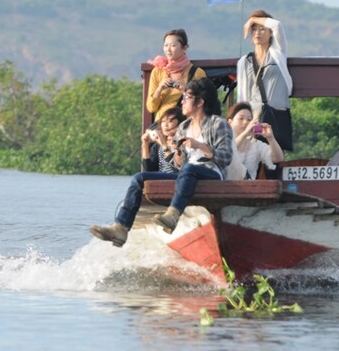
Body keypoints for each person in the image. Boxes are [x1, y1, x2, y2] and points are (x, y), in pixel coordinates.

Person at [90, 78, 233, 247]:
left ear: (200, 102)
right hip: (187, 174)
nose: (183, 101)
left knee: (189, 169)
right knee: (139, 178)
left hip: (211, 173)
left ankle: (172, 216)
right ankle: (120, 228)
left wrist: (201, 146)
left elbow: (226, 158)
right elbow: (178, 165)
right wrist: (177, 151)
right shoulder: (184, 127)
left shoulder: (219, 124)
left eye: (187, 97)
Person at [236, 10, 293, 151]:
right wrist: (243, 124)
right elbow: (242, 97)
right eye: (254, 29)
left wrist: (252, 19)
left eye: (262, 29)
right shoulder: (245, 61)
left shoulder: (278, 53)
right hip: (255, 118)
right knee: (254, 158)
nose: (257, 33)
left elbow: (277, 25)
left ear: (270, 33)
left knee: (275, 161)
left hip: (276, 115)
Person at [145, 28, 206, 123]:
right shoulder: (158, 71)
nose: (168, 50)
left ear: (184, 48)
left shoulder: (197, 73)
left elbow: (204, 104)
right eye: (166, 45)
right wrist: (160, 88)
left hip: (186, 124)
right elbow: (151, 108)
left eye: (173, 45)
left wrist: (185, 90)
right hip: (163, 125)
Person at [225, 102, 284, 180]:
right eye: (241, 118)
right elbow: (227, 152)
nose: (246, 122)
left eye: (249, 119)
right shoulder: (222, 140)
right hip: (225, 189)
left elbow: (278, 158)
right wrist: (245, 134)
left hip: (250, 189)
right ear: (230, 122)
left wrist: (271, 138)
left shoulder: (256, 145)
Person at [141, 106, 185, 173]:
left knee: (138, 177)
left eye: (170, 121)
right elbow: (148, 170)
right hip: (161, 179)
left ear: (180, 123)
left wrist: (164, 145)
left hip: (176, 178)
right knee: (140, 177)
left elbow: (176, 170)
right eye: (163, 121)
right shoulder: (157, 146)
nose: (165, 125)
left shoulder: (182, 142)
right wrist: (145, 145)